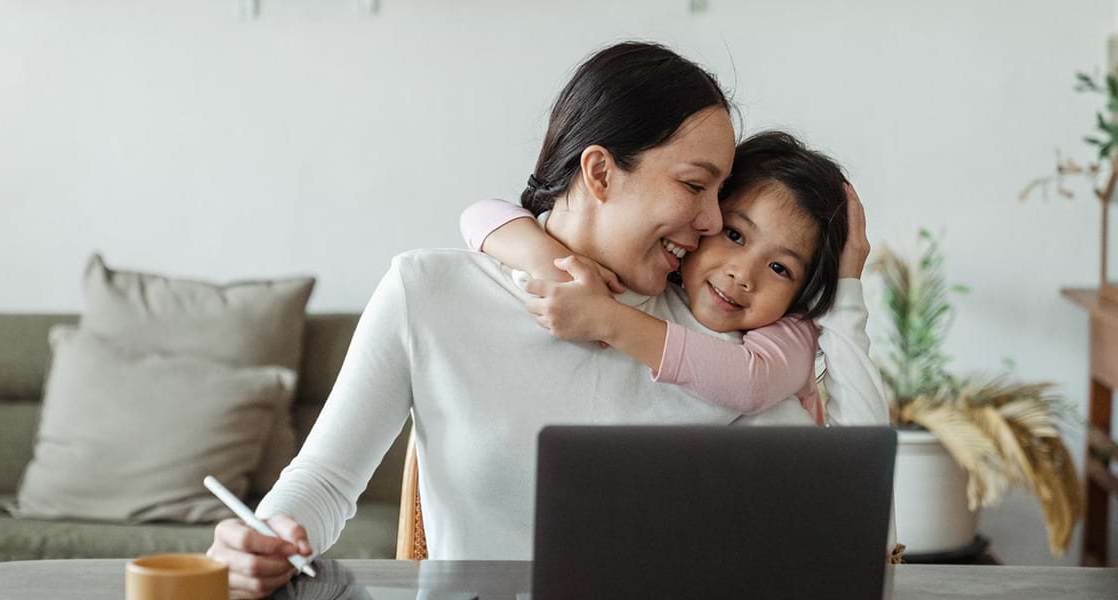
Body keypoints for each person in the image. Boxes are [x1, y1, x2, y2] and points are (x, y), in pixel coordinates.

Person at [207, 41, 889, 599]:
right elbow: (325, 483)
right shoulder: (429, 293)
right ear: (599, 172)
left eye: (720, 193)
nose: (712, 222)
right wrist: (264, 536)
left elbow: (849, 520)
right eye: (693, 185)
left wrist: (848, 291)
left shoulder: (723, 342)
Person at [459, 131, 856, 424]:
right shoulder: (662, 278)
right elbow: (479, 214)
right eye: (734, 235)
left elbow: (751, 382)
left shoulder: (792, 329)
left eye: (780, 268)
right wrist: (552, 264)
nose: (743, 274)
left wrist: (608, 320)